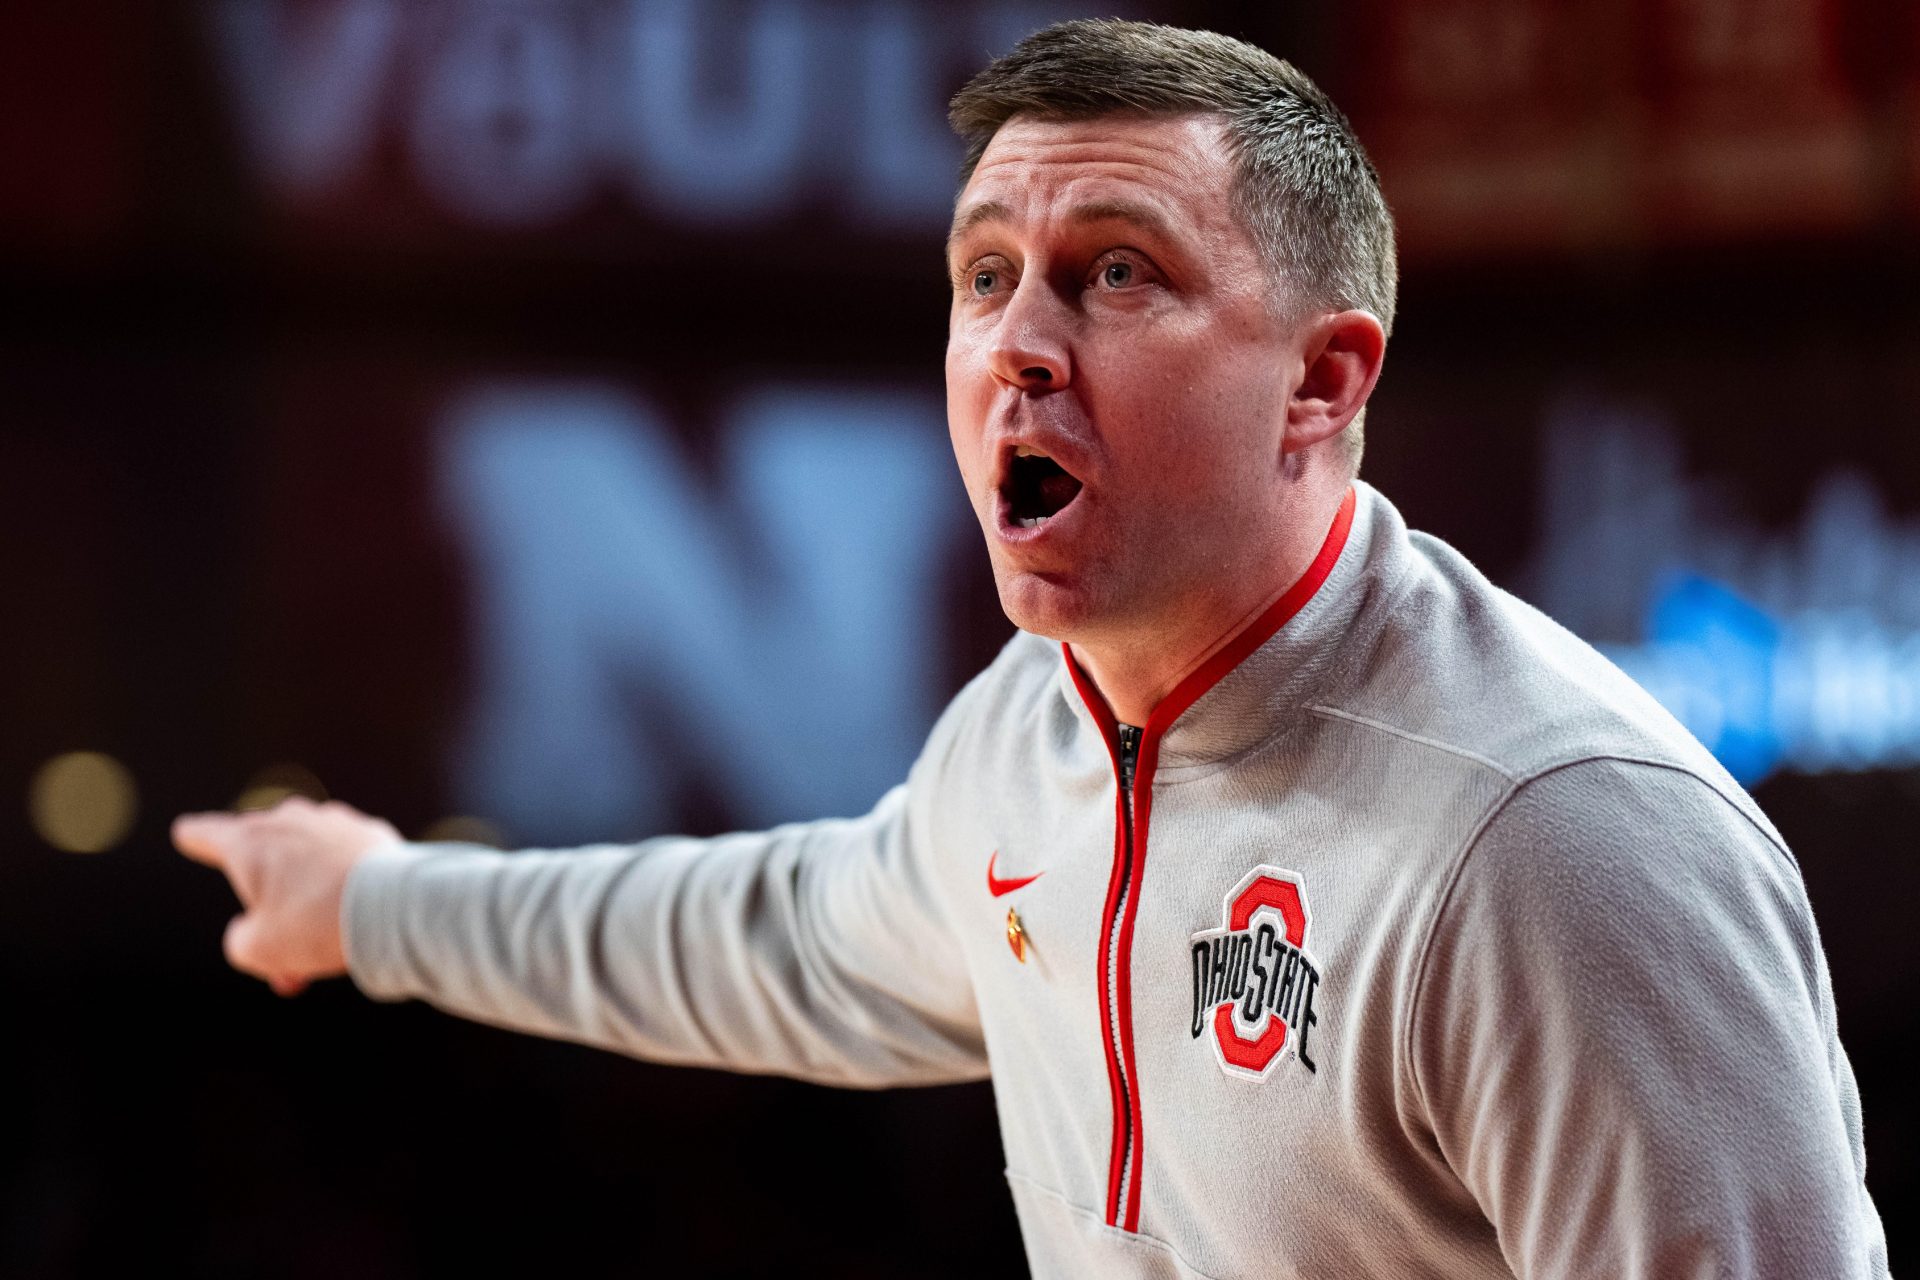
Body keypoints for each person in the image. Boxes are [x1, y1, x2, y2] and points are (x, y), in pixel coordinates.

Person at [173, 20, 1889, 1279]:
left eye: (1115, 273)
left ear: (1321, 384)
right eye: (985, 275)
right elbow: (773, 935)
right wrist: (376, 908)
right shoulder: (1032, 737)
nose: (1020, 346)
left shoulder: (1555, 842)